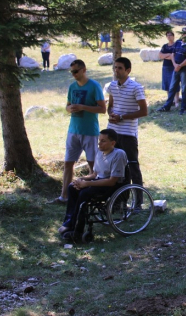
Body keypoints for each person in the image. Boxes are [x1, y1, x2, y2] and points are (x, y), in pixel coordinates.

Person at [49, 60, 106, 204]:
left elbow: (102, 109)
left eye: (76, 71)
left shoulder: (94, 86)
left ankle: (92, 195)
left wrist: (83, 107)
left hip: (90, 131)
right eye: (72, 72)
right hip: (73, 130)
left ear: (83, 70)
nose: (73, 74)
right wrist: (70, 109)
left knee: (92, 164)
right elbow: (67, 106)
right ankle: (64, 196)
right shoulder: (72, 87)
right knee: (68, 163)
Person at [59, 129, 128, 241]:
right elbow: (95, 174)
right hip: (98, 181)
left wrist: (87, 184)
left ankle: (77, 230)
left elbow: (112, 181)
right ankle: (68, 222)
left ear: (113, 143)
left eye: (103, 141)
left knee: (84, 194)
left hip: (110, 186)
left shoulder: (119, 154)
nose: (99, 144)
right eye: (99, 140)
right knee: (72, 187)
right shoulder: (99, 153)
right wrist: (81, 179)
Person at [107, 57, 148, 195]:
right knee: (117, 169)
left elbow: (144, 111)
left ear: (128, 70)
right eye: (115, 67)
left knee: (132, 167)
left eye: (119, 68)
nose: (116, 70)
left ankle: (138, 202)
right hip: (112, 132)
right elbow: (110, 106)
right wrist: (111, 114)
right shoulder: (112, 86)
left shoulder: (136, 87)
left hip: (128, 134)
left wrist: (122, 117)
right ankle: (120, 201)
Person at [156, 27, 186, 115]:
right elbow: (173, 54)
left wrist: (180, 65)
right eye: (184, 33)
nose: (185, 34)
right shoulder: (177, 42)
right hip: (176, 68)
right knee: (172, 87)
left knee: (184, 88)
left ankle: (183, 107)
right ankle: (167, 106)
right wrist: (175, 65)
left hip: (185, 69)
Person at [158, 31, 180, 107]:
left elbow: (175, 56)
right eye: (167, 35)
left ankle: (176, 101)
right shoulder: (165, 46)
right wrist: (169, 55)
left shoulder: (176, 45)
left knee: (175, 84)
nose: (169, 37)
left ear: (173, 36)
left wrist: (170, 57)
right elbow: (160, 56)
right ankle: (169, 101)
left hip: (174, 66)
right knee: (167, 84)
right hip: (166, 67)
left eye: (170, 35)